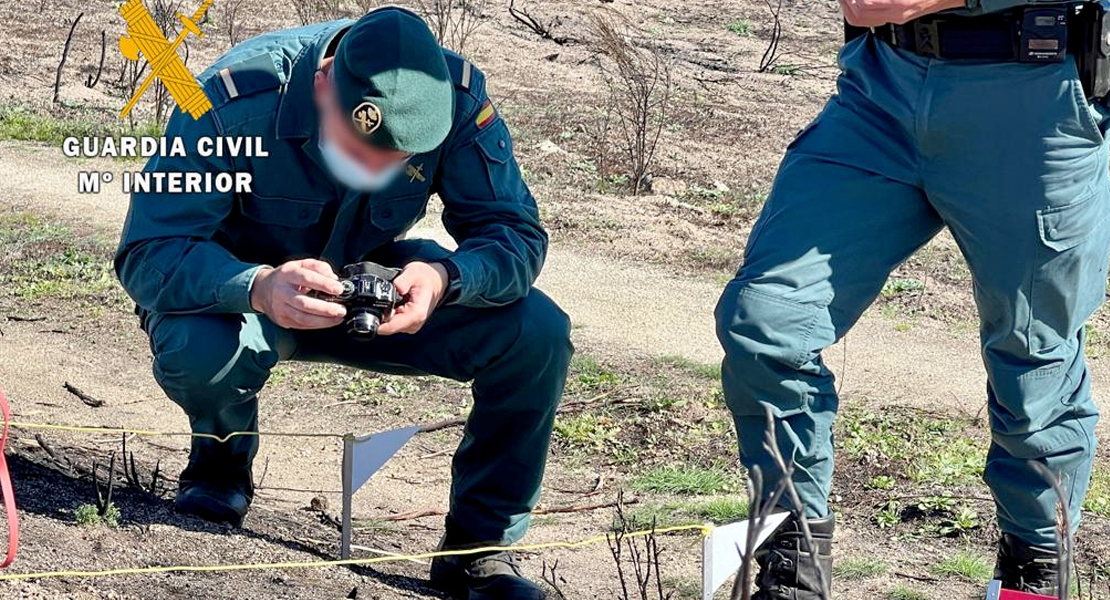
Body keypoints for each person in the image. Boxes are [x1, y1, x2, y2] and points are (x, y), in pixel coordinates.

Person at [115, 8, 572, 599]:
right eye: (360, 150)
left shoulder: (454, 100)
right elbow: (150, 250)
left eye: (395, 162)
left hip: (367, 289)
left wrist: (443, 278)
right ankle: (220, 463)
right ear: (324, 84)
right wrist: (256, 286)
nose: (376, 170)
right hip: (241, 303)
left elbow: (514, 232)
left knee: (537, 333)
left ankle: (477, 552)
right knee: (199, 350)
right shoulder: (229, 104)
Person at [715, 0, 1109, 597]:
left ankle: (1032, 580)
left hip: (1033, 95)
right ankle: (790, 572)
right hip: (881, 88)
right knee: (766, 321)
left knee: (1032, 372)